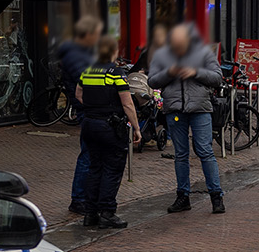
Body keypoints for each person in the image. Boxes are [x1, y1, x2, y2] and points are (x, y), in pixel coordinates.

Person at [149, 21, 226, 214]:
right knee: (180, 154)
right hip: (175, 110)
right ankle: (183, 196)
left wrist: (196, 72)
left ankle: (216, 196)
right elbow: (152, 80)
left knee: (205, 151)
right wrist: (170, 72)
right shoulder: (161, 55)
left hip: (200, 109)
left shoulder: (204, 53)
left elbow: (217, 77)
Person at [75, 35, 140, 229]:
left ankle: (90, 213)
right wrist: (136, 127)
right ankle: (107, 213)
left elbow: (78, 93)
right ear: (113, 51)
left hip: (89, 124)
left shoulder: (87, 71)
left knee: (95, 167)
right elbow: (127, 103)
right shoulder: (115, 72)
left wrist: (92, 108)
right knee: (112, 169)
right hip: (109, 126)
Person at [55, 15, 100, 216]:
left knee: (92, 153)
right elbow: (88, 79)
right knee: (88, 154)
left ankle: (86, 196)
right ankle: (79, 198)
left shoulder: (81, 53)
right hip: (87, 109)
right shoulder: (75, 55)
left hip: (90, 108)